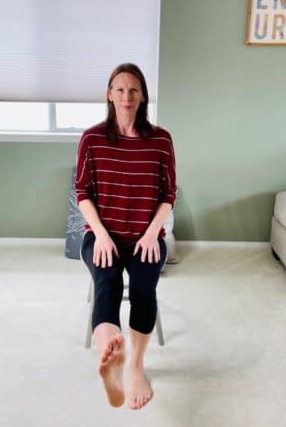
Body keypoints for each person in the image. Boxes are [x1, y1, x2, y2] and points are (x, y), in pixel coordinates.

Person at [75, 63, 176, 410]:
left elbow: (168, 194)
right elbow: (83, 193)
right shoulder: (92, 138)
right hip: (103, 235)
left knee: (145, 287)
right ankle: (110, 352)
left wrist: (151, 235)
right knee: (107, 282)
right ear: (109, 94)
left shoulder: (161, 140)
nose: (126, 96)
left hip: (144, 237)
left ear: (143, 95)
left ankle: (134, 367)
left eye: (133, 89)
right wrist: (101, 235)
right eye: (119, 89)